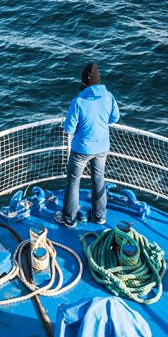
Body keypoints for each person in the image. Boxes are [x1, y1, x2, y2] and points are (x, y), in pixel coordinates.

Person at [55, 62, 120, 228]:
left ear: (84, 82)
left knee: (73, 182)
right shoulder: (109, 96)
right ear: (99, 81)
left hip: (81, 149)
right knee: (99, 180)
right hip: (102, 147)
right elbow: (115, 118)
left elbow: (69, 128)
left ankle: (69, 219)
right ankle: (100, 217)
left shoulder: (78, 101)